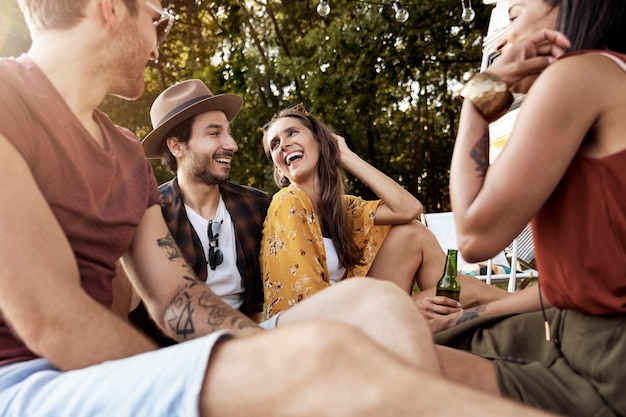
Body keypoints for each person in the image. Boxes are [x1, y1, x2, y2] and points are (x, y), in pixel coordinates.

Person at [0, 0, 564, 416]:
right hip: (26, 382)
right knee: (321, 355)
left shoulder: (126, 155)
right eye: (157, 19)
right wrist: (277, 359)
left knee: (378, 305)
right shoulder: (8, 101)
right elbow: (54, 321)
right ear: (108, 10)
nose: (159, 42)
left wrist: (264, 348)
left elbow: (176, 297)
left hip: (118, 370)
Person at [431, 0, 626, 415]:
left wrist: (478, 97)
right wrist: (461, 318)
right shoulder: (611, 72)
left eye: (514, 15)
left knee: (370, 357)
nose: (504, 35)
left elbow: (474, 236)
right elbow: (564, 290)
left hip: (604, 370)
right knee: (419, 334)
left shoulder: (578, 75)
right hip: (576, 331)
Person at [260, 104, 509, 319]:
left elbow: (409, 209)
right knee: (470, 293)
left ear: (321, 142)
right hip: (334, 326)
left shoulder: (343, 207)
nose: (284, 145)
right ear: (279, 169)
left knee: (412, 233)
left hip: (360, 308)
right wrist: (407, 306)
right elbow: (306, 304)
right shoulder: (288, 202)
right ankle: (528, 304)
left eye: (292, 132)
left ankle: (514, 308)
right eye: (274, 144)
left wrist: (345, 155)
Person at [127, 79, 270, 345]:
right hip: (178, 359)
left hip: (253, 343)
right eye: (215, 133)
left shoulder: (258, 206)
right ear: (176, 146)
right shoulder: (149, 216)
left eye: (229, 132)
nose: (232, 144)